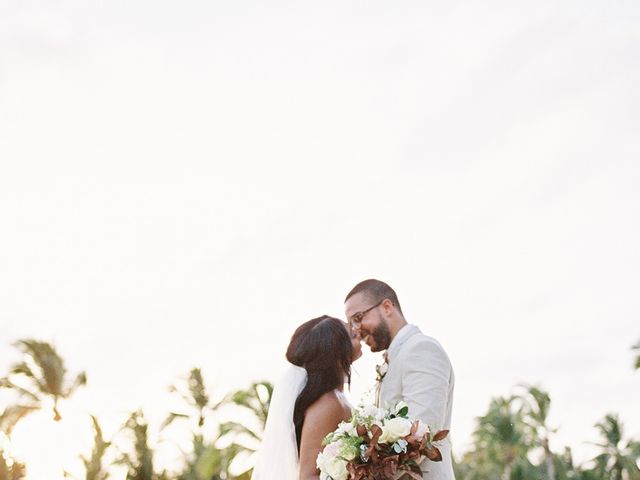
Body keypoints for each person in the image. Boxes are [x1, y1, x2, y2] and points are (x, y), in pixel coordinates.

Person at [345, 279, 455, 480]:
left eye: (358, 318)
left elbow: (421, 437)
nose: (356, 330)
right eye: (352, 323)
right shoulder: (397, 356)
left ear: (387, 307)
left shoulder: (421, 349)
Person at [251, 315, 362, 480]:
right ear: (337, 355)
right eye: (353, 335)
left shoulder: (336, 398)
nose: (359, 333)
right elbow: (308, 476)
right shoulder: (329, 403)